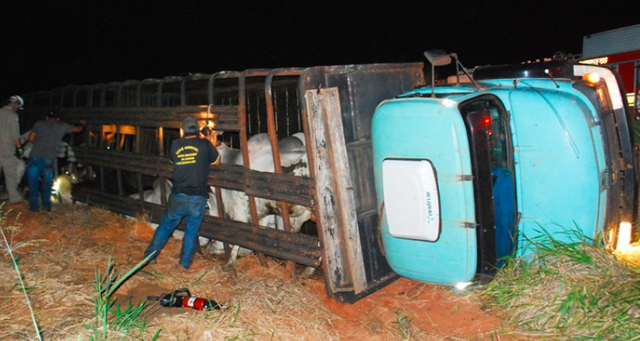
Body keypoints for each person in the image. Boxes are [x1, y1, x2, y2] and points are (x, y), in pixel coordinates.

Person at [144, 116, 220, 269]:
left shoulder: (175, 145)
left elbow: (173, 162)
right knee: (191, 231)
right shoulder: (204, 144)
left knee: (165, 226)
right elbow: (216, 161)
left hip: (178, 194)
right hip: (198, 196)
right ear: (197, 130)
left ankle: (150, 257)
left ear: (183, 130)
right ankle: (184, 264)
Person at [27, 109, 85, 212]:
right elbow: (78, 129)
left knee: (33, 183)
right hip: (48, 158)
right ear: (58, 118)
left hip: (35, 156)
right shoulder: (63, 126)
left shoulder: (39, 124)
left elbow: (31, 139)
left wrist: (40, 141)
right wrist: (82, 123)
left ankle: (34, 208)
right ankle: (46, 207)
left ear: (46, 117)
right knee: (46, 183)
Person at [0, 95, 25, 204]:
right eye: (18, 106)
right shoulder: (12, 115)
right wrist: (19, 148)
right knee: (11, 174)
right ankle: (14, 199)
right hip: (7, 150)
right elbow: (15, 134)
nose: (18, 109)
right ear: (15, 103)